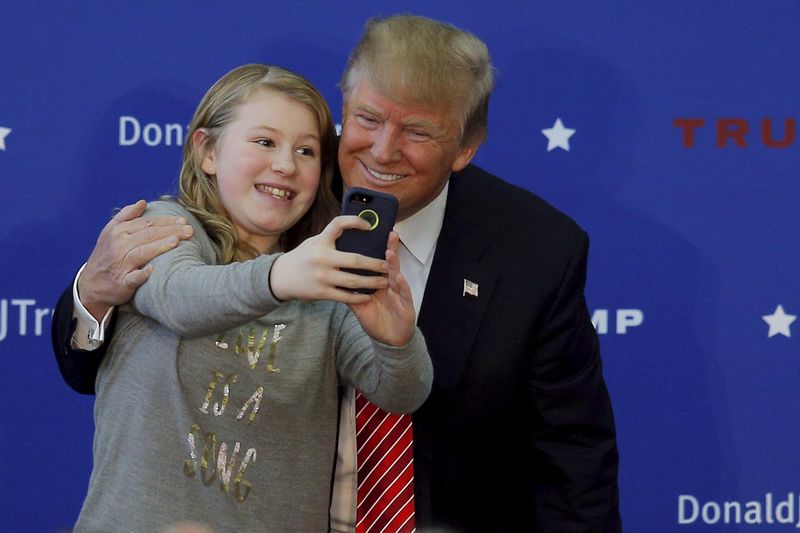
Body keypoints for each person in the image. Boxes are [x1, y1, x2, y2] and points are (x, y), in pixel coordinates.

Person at [53, 15, 621, 532]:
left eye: (418, 132)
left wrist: (396, 339)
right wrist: (94, 296)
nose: (383, 150)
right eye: (367, 119)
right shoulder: (270, 195)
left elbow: (569, 453)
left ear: (465, 148)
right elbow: (153, 315)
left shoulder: (538, 248)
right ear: (345, 109)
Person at [70, 63, 432, 532]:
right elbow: (181, 300)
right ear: (208, 152)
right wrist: (282, 275)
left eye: (306, 151)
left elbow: (403, 392)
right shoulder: (164, 227)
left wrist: (397, 341)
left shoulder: (323, 283)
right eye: (264, 142)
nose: (286, 164)